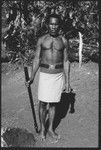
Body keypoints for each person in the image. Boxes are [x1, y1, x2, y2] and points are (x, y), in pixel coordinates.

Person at [26, 13, 71, 142]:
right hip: (45, 74)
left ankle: (50, 129)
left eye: (56, 24)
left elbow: (67, 61)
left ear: (59, 25)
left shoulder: (63, 40)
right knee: (43, 103)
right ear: (47, 24)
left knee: (53, 104)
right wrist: (32, 76)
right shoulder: (42, 39)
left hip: (57, 74)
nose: (53, 26)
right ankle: (42, 129)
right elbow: (36, 59)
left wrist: (67, 82)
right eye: (51, 24)